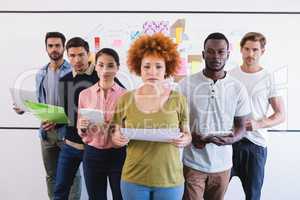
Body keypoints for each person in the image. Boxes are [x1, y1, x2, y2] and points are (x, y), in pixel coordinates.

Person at [110, 33, 191, 200]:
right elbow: (114, 132)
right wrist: (116, 138)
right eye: (146, 66)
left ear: (166, 69)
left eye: (158, 67)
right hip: (134, 179)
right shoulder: (125, 99)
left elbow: (187, 133)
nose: (152, 72)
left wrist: (185, 139)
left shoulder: (178, 99)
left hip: (170, 180)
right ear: (139, 68)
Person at [178, 32, 251, 200]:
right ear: (203, 54)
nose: (216, 56)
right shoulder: (185, 85)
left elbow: (242, 126)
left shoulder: (237, 87)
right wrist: (193, 137)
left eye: (220, 52)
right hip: (192, 163)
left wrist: (232, 139)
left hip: (223, 165)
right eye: (210, 51)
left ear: (227, 55)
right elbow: (175, 123)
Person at [13, 32, 82, 200]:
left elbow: (78, 106)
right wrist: (24, 108)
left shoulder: (73, 72)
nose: (54, 49)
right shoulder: (41, 74)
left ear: (63, 48)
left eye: (57, 45)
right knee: (51, 176)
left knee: (72, 176)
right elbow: (40, 101)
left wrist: (58, 121)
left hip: (67, 133)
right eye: (50, 46)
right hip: (46, 134)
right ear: (46, 48)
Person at [54, 38, 124, 200]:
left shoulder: (101, 74)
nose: (77, 60)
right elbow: (67, 114)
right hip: (71, 144)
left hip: (94, 147)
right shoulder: (64, 80)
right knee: (61, 188)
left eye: (81, 55)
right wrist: (54, 119)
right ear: (67, 56)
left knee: (113, 193)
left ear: (88, 55)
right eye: (72, 56)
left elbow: (119, 99)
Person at [229, 32, 285, 200]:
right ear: (241, 50)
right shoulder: (230, 76)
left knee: (253, 196)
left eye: (255, 50)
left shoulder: (268, 78)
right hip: (230, 143)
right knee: (216, 192)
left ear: (262, 51)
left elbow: (281, 115)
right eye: (246, 49)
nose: (250, 54)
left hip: (256, 146)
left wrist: (259, 124)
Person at [77, 48, 127, 200]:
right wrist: (82, 127)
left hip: (118, 155)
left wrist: (117, 129)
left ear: (117, 68)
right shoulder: (84, 94)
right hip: (93, 155)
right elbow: (81, 130)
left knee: (120, 197)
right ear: (96, 67)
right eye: (101, 65)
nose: (105, 70)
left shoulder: (126, 95)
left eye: (110, 65)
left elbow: (128, 127)